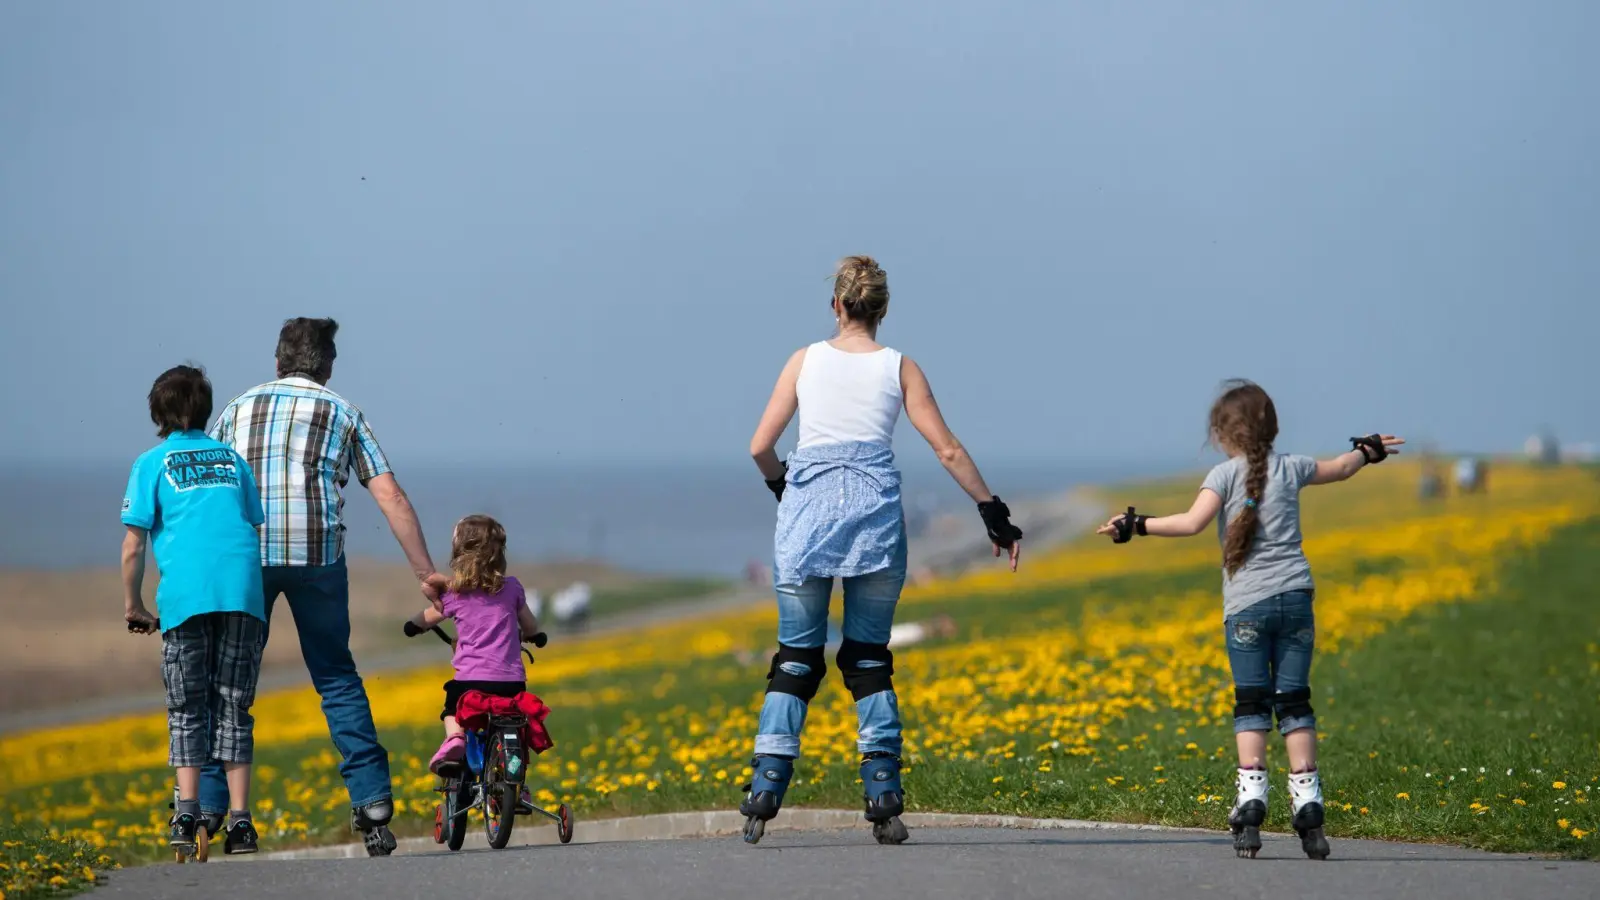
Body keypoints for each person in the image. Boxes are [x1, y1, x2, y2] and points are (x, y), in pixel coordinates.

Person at [738, 255, 1024, 846]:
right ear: (882, 310)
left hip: (806, 523)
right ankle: (883, 795)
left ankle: (765, 788)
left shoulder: (804, 360)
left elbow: (761, 446)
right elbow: (946, 449)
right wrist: (991, 512)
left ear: (836, 306)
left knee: (796, 658)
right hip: (874, 526)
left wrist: (783, 488)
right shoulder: (900, 368)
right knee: (868, 660)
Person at [1095, 379, 1404, 861]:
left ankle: (1252, 801)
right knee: (1295, 702)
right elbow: (1342, 468)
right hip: (1297, 598)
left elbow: (1190, 523)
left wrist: (1134, 525)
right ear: (1273, 427)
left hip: (1246, 607)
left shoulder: (1222, 476)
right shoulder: (1294, 467)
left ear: (1222, 433)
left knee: (1251, 703)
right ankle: (1309, 808)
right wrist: (1369, 450)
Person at [199, 317, 450, 857]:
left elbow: (207, 490)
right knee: (336, 677)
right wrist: (425, 575)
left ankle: (214, 806)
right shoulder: (344, 412)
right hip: (318, 557)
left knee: (231, 683)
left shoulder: (237, 409)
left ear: (277, 361)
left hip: (249, 557)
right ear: (328, 366)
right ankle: (373, 803)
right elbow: (392, 498)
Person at [121, 365, 268, 856]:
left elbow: (132, 546)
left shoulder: (152, 462)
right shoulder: (231, 460)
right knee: (233, 707)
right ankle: (241, 822)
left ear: (158, 413)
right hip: (243, 596)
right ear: (205, 409)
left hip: (185, 600)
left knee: (187, 707)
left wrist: (134, 605)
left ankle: (186, 814)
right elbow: (250, 523)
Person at [404, 515, 547, 810]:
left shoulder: (456, 593)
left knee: (451, 705)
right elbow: (531, 626)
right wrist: (535, 636)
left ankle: (455, 738)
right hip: (511, 682)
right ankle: (517, 784)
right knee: (515, 727)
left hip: (471, 683)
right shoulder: (512, 589)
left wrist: (414, 625)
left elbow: (425, 618)